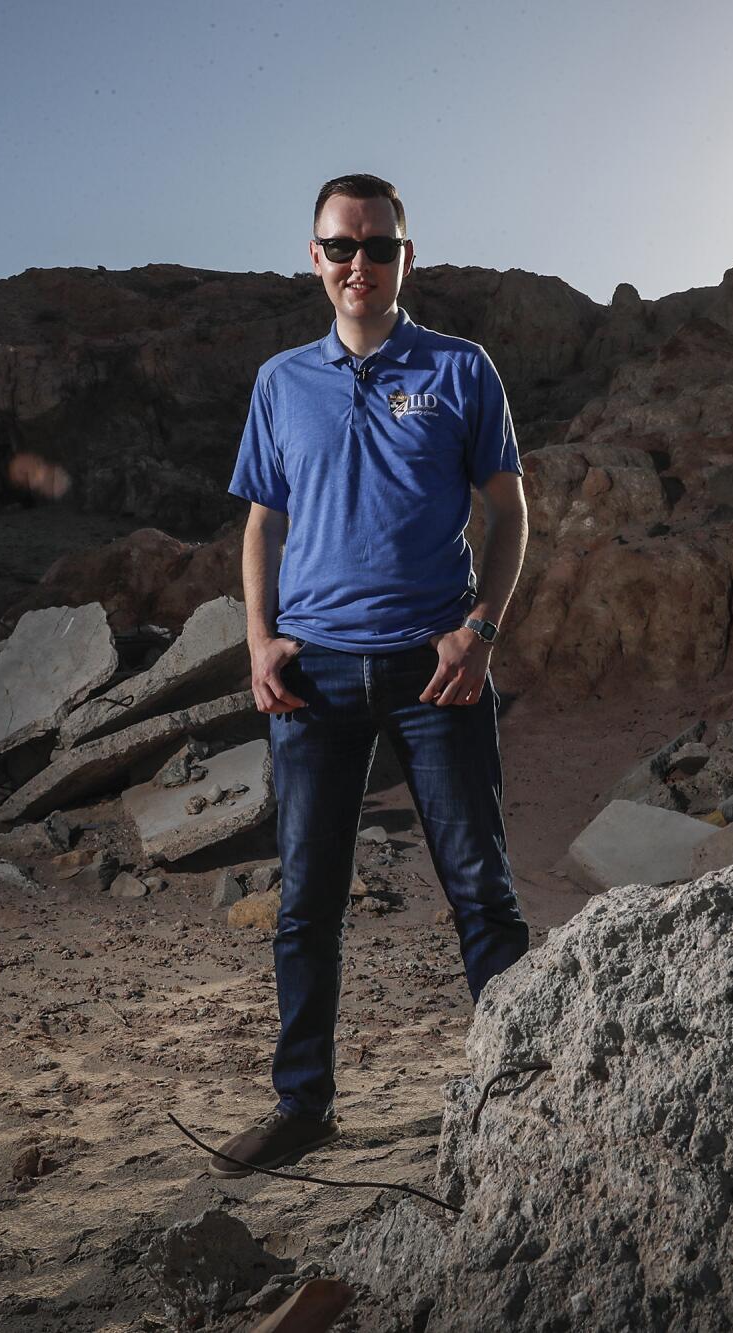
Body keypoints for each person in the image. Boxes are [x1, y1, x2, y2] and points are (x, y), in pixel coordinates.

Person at [210, 173, 532, 1176]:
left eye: (378, 247)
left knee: (479, 887)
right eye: (340, 248)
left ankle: (527, 1092)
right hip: (311, 677)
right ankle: (302, 1105)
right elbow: (261, 520)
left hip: (434, 674)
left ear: (405, 256)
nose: (360, 265)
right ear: (314, 257)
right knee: (307, 899)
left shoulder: (459, 369)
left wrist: (480, 626)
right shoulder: (279, 383)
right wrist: (259, 640)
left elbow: (510, 513)